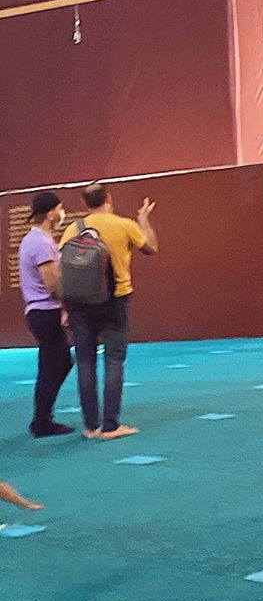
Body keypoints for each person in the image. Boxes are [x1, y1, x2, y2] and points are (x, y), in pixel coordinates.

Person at [59, 183, 157, 440]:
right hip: (115, 300)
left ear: (84, 203)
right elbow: (151, 248)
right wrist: (143, 220)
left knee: (85, 362)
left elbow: (63, 271)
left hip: (80, 303)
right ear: (108, 199)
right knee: (114, 360)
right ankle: (111, 425)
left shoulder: (73, 228)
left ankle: (91, 427)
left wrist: (65, 308)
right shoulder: (123, 225)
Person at [17, 191, 74, 438]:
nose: (62, 214)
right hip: (45, 311)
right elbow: (52, 283)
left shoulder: (33, 239)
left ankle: (43, 417)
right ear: (51, 213)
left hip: (39, 312)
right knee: (54, 365)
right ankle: (41, 420)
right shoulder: (41, 242)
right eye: (60, 209)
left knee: (57, 363)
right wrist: (66, 307)